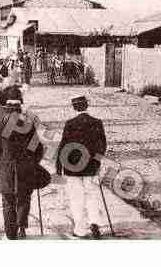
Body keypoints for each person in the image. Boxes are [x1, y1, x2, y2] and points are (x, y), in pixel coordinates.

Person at [0, 99, 44, 239]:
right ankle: (21, 227)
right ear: (19, 110)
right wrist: (34, 163)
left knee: (8, 200)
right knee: (24, 197)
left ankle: (10, 232)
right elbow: (38, 149)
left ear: (7, 110)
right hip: (25, 167)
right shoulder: (28, 125)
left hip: (6, 167)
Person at [56, 95, 107, 239]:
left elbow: (63, 146)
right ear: (87, 106)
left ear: (74, 107)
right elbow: (102, 145)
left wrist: (59, 166)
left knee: (76, 197)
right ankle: (95, 223)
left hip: (72, 167)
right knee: (92, 194)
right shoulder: (97, 122)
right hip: (91, 166)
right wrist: (97, 161)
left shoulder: (70, 123)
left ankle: (80, 230)